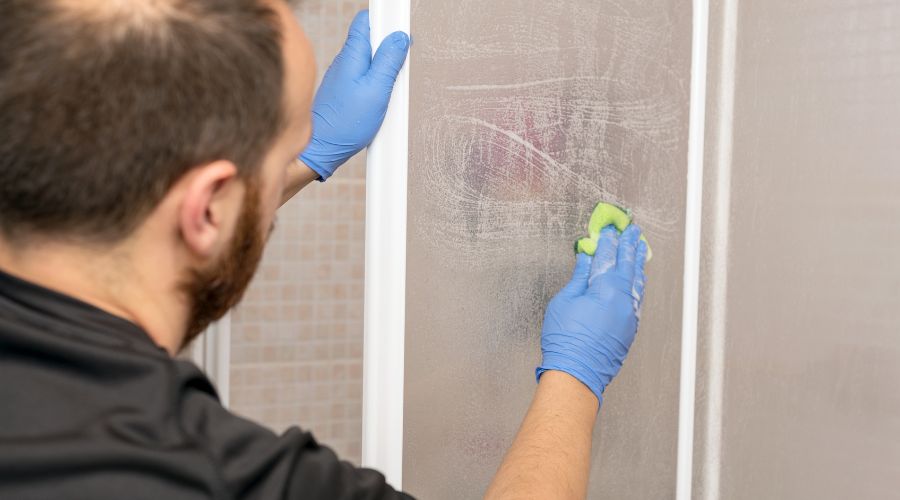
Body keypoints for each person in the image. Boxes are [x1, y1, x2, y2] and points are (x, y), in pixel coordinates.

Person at [0, 0, 648, 498]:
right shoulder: (203, 475)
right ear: (207, 208)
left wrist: (301, 162)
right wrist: (575, 373)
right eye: (281, 151)